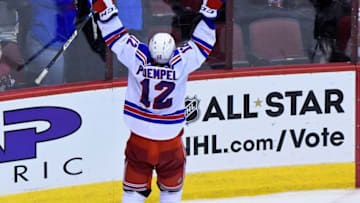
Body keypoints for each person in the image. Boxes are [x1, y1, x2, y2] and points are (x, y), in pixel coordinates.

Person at [92, 0, 224, 202]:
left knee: (132, 192)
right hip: (169, 140)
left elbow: (116, 37)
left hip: (139, 137)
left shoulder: (138, 58)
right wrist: (209, 13)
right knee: (171, 192)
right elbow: (201, 45)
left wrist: (105, 9)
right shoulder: (180, 62)